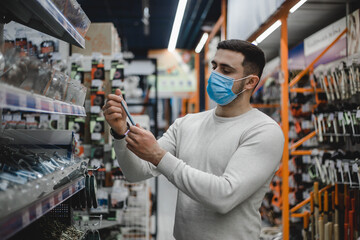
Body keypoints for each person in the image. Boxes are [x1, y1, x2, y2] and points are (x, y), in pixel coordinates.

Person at [102, 39, 284, 240]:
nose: (215, 74)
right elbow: (136, 172)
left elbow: (224, 196)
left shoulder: (263, 131)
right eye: (214, 66)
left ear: (250, 82)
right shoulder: (187, 124)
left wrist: (158, 156)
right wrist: (120, 134)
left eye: (226, 70)